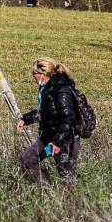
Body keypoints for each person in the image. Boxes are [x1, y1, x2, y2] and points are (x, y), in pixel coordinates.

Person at [16, 57, 82, 186]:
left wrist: (57, 143)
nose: (32, 77)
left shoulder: (61, 90)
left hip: (65, 139)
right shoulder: (46, 88)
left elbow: (68, 120)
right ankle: (47, 193)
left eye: (34, 74)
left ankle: (70, 204)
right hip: (48, 136)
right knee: (28, 160)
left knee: (66, 176)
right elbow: (45, 112)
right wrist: (25, 120)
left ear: (43, 73)